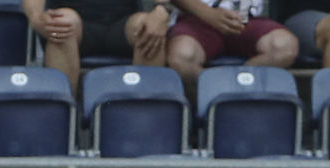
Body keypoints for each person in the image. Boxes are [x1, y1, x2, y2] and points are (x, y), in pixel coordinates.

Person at [21, 0, 171, 99]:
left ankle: (144, 117)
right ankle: (60, 116)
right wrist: (36, 19)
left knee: (149, 28)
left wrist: (160, 10)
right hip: (75, 23)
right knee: (61, 23)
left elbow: (160, 9)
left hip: (122, 23)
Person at [166, 0, 298, 91]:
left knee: (284, 48)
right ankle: (211, 100)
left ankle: (236, 90)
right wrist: (208, 14)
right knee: (181, 57)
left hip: (247, 19)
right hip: (196, 18)